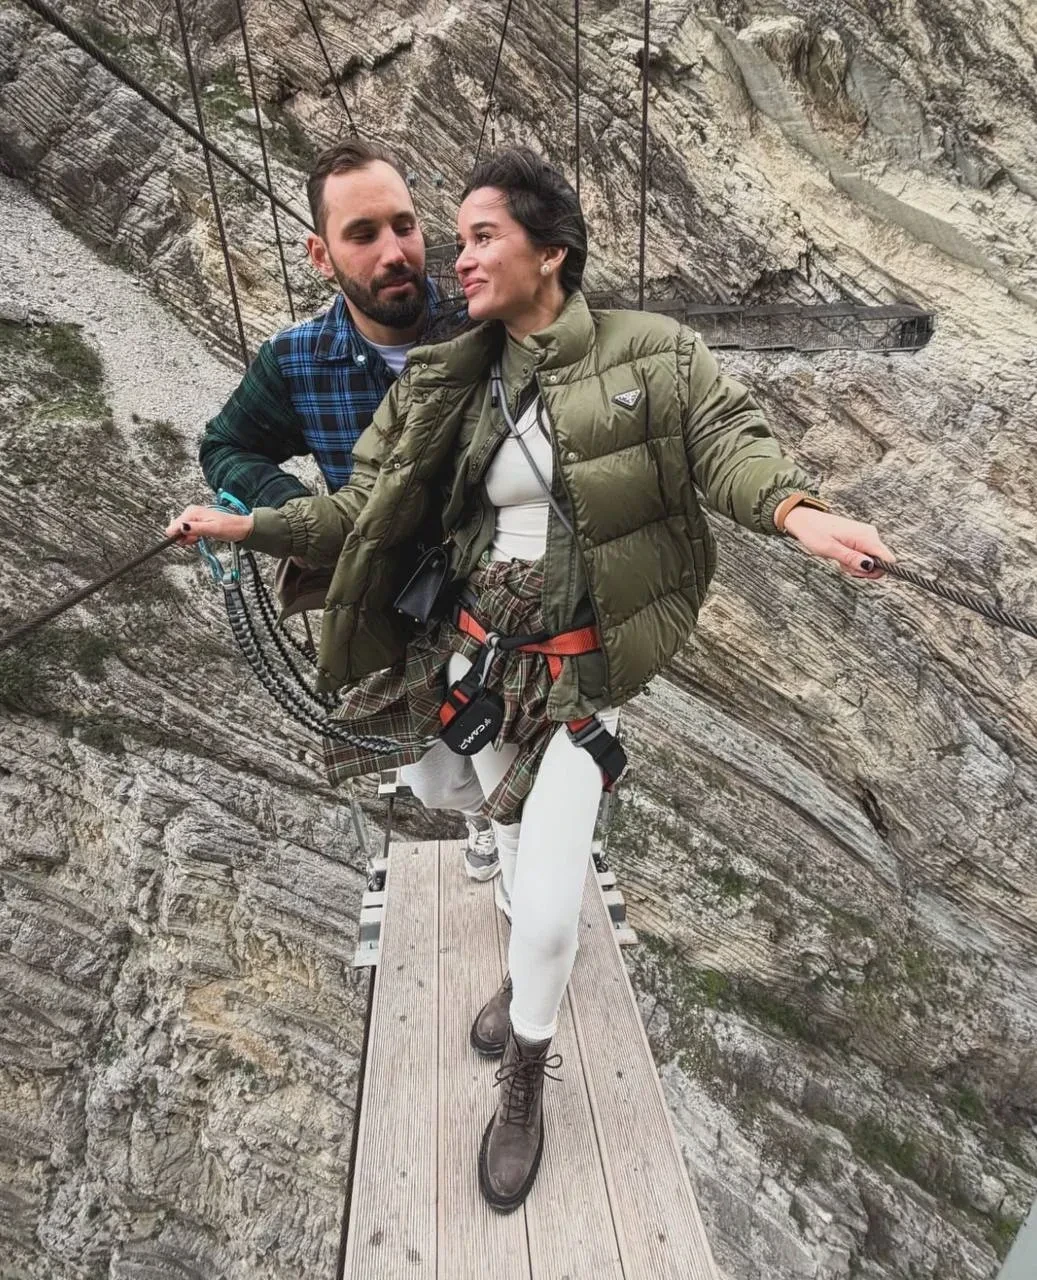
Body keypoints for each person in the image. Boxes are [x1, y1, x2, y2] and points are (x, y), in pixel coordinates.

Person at [168, 147, 895, 1214]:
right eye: (451, 237)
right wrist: (248, 522)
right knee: (470, 809)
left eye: (477, 237)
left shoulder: (651, 352)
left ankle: (523, 1071)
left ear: (549, 251)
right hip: (476, 661)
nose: (450, 258)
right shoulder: (453, 377)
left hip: (575, 675)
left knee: (552, 910)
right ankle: (517, 958)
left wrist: (796, 512)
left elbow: (722, 443)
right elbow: (362, 509)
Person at [198, 136, 499, 884]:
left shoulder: (487, 322)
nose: (394, 252)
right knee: (435, 781)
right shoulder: (299, 360)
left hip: (497, 588)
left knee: (509, 750)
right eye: (362, 235)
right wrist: (305, 517)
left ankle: (519, 853)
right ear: (321, 256)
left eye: (403, 225)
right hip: (392, 600)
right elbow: (226, 444)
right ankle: (481, 817)